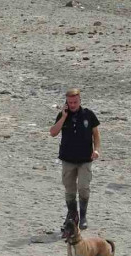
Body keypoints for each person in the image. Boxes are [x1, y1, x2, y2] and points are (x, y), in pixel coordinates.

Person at [49, 88, 101, 229]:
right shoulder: (62, 115)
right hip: (68, 159)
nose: (72, 105)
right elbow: (53, 132)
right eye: (70, 102)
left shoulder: (88, 115)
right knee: (69, 189)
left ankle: (83, 215)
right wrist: (64, 117)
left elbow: (96, 134)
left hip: (85, 159)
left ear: (80, 100)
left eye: (75, 102)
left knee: (84, 188)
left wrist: (96, 149)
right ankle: (72, 214)